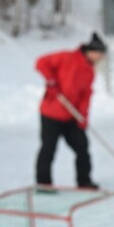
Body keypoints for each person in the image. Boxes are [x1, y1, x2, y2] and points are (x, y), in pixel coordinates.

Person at [35, 32, 107, 189]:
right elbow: (41, 63)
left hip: (71, 117)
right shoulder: (67, 57)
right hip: (51, 113)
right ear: (92, 51)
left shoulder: (90, 71)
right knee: (48, 148)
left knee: (82, 147)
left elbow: (86, 95)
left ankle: (84, 181)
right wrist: (51, 81)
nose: (101, 58)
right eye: (100, 54)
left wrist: (83, 116)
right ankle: (44, 184)